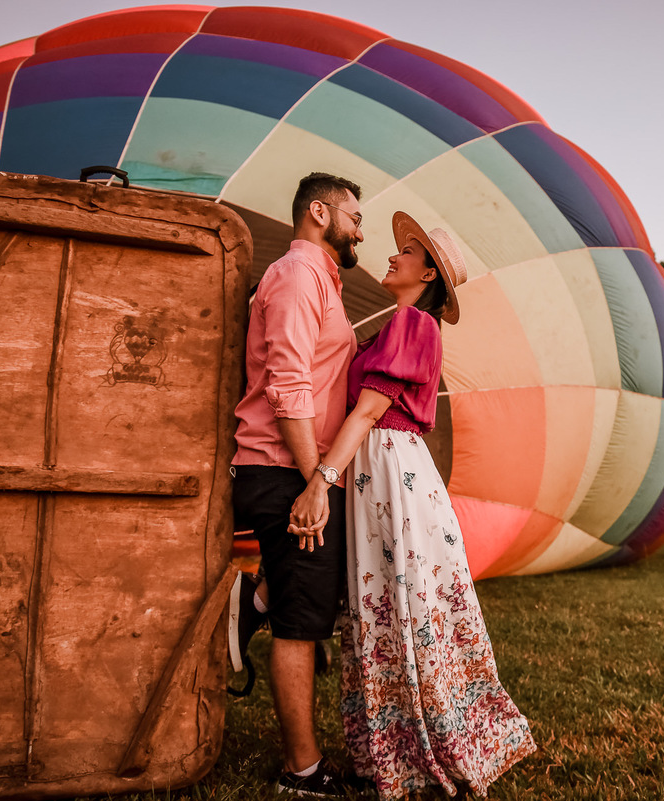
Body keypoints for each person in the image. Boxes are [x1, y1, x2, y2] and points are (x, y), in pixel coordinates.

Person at [291, 212, 537, 799]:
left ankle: (423, 743)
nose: (393, 255)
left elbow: (369, 411)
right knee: (386, 600)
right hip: (377, 470)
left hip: (390, 471)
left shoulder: (414, 324)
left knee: (401, 599)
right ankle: (393, 747)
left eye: (406, 251)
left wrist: (320, 479)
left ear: (427, 274)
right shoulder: (395, 327)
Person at [228, 171, 364, 797]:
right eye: (355, 218)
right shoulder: (297, 275)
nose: (360, 231)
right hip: (286, 470)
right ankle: (302, 771)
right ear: (320, 212)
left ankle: (251, 600)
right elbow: (288, 384)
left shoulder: (320, 280)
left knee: (314, 597)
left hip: (294, 470)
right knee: (302, 623)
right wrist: (317, 481)